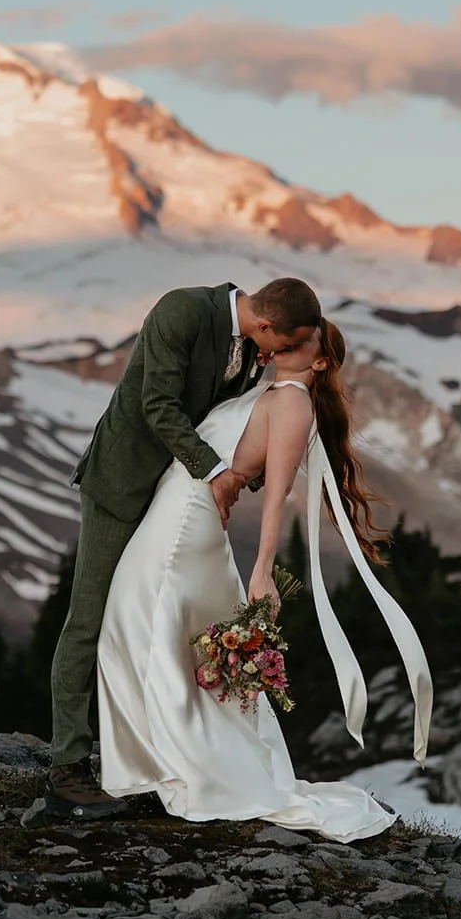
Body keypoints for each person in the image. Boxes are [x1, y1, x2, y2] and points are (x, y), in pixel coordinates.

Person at [96, 320, 433, 842]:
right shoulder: (265, 388)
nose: (287, 346)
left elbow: (277, 494)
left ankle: (178, 768)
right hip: (177, 510)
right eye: (288, 337)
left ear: (319, 362)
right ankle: (166, 761)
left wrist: (262, 570)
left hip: (187, 523)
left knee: (138, 625)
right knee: (152, 635)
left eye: (303, 343)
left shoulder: (295, 404)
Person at [46, 279, 322, 821]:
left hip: (172, 493)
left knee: (154, 620)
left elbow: (223, 423)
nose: (273, 359)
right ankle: (67, 767)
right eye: (277, 347)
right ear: (264, 325)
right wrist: (216, 474)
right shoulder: (182, 311)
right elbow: (159, 406)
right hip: (123, 486)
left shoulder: (250, 349)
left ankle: (156, 754)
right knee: (90, 619)